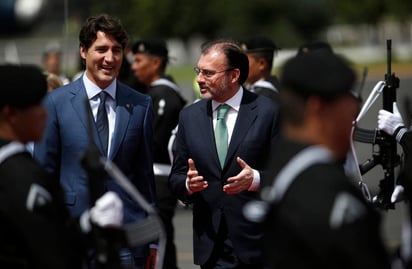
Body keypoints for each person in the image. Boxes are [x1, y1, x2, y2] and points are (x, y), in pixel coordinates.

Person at [33, 14, 156, 269]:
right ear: (83, 51)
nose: (110, 58)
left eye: (117, 50)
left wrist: (151, 240)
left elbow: (144, 179)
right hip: (73, 237)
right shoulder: (56, 103)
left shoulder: (141, 105)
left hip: (127, 241)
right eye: (101, 49)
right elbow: (44, 175)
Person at [258, 48, 396, 268]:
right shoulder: (330, 192)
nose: (355, 107)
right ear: (317, 107)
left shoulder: (279, 165)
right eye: (345, 98)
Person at [168, 39, 280, 269]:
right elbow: (176, 177)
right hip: (211, 246)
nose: (199, 79)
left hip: (258, 244)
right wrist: (188, 185)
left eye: (208, 73)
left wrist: (256, 179)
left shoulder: (269, 112)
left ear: (234, 75)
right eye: (198, 71)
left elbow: (287, 174)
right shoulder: (189, 117)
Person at [0, 64, 124, 269]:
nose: (45, 113)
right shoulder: (20, 176)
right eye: (37, 105)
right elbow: (52, 253)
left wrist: (87, 224)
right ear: (11, 114)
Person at [131, 39, 186, 269]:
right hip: (152, 177)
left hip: (158, 178)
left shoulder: (163, 95)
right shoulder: (153, 93)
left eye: (138, 60)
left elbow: (153, 143)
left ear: (155, 63)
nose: (133, 66)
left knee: (158, 244)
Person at [240, 36, 280, 103]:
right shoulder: (250, 90)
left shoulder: (267, 97)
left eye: (244, 61)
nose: (240, 65)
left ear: (262, 64)